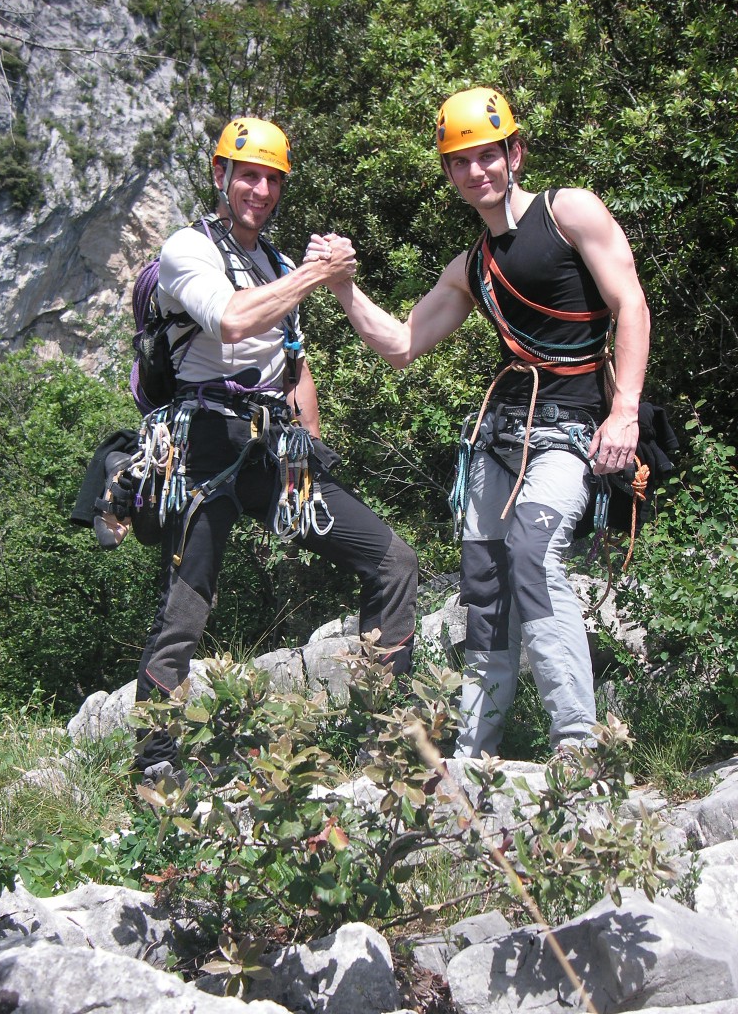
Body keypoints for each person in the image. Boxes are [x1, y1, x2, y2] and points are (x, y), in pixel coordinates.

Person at [308, 87, 650, 758]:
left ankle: (577, 740)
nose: (476, 172)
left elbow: (630, 301)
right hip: (500, 440)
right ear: (449, 173)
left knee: (531, 555)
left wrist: (626, 411)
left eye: (487, 156)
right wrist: (343, 287)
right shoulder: (471, 268)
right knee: (485, 583)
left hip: (573, 431)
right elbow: (402, 344)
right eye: (460, 162)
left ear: (514, 153)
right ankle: (474, 751)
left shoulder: (569, 211)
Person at [135, 116, 417, 779]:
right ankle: (154, 767)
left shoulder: (278, 264)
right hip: (202, 445)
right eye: (248, 175)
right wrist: (318, 275)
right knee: (187, 604)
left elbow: (294, 364)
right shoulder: (186, 249)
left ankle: (386, 740)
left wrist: (309, 447)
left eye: (271, 179)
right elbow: (233, 320)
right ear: (220, 175)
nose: (259, 190)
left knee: (392, 560)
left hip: (269, 451)